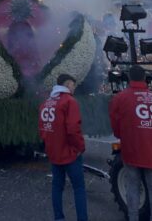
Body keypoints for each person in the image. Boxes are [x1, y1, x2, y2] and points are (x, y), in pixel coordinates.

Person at [109, 65, 152, 221]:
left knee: (133, 186)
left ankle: (133, 218)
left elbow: (115, 125)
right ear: (144, 79)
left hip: (132, 150)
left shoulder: (120, 98)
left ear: (129, 78)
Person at [39, 74, 88, 221]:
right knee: (79, 188)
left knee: (57, 187)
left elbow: (42, 129)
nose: (74, 87)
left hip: (54, 153)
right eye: (73, 85)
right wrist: (80, 147)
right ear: (67, 85)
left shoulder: (45, 103)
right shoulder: (69, 102)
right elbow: (73, 129)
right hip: (70, 153)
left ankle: (59, 218)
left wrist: (50, 146)